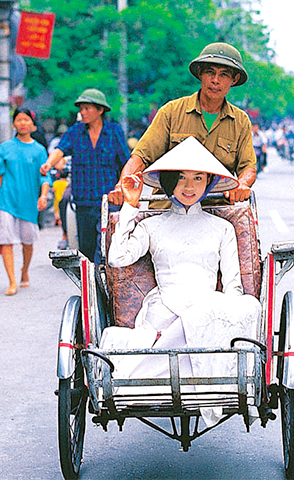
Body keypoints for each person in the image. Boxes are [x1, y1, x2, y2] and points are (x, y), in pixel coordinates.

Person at [100, 137, 261, 427]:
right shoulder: (151, 224)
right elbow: (117, 258)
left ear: (209, 181)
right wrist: (130, 206)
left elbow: (233, 285)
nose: (189, 187)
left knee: (246, 306)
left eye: (198, 178)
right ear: (169, 181)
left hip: (207, 308)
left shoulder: (222, 228)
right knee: (184, 313)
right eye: (182, 178)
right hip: (164, 310)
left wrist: (227, 315)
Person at [108, 42, 257, 208]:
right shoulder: (171, 112)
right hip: (167, 208)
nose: (215, 80)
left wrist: (242, 184)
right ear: (200, 74)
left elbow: (248, 168)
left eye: (223, 75)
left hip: (216, 209)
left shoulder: (240, 121)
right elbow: (141, 157)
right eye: (210, 72)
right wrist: (123, 184)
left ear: (234, 80)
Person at [41, 89, 129, 265]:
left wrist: (122, 188)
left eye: (87, 108)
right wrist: (48, 164)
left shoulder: (114, 132)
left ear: (100, 110)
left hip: (108, 203)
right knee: (87, 250)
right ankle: (90, 290)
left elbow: (126, 163)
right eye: (81, 109)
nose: (82, 112)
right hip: (84, 203)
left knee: (106, 247)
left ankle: (104, 288)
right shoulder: (75, 132)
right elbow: (60, 149)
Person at [0, 108, 51, 296]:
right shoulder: (5, 147)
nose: (22, 123)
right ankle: (12, 281)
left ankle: (24, 270)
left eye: (26, 119)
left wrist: (43, 196)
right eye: (18, 119)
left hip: (29, 203)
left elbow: (45, 178)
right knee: (7, 241)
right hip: (6, 201)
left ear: (33, 124)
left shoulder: (39, 150)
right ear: (14, 123)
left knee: (27, 241)